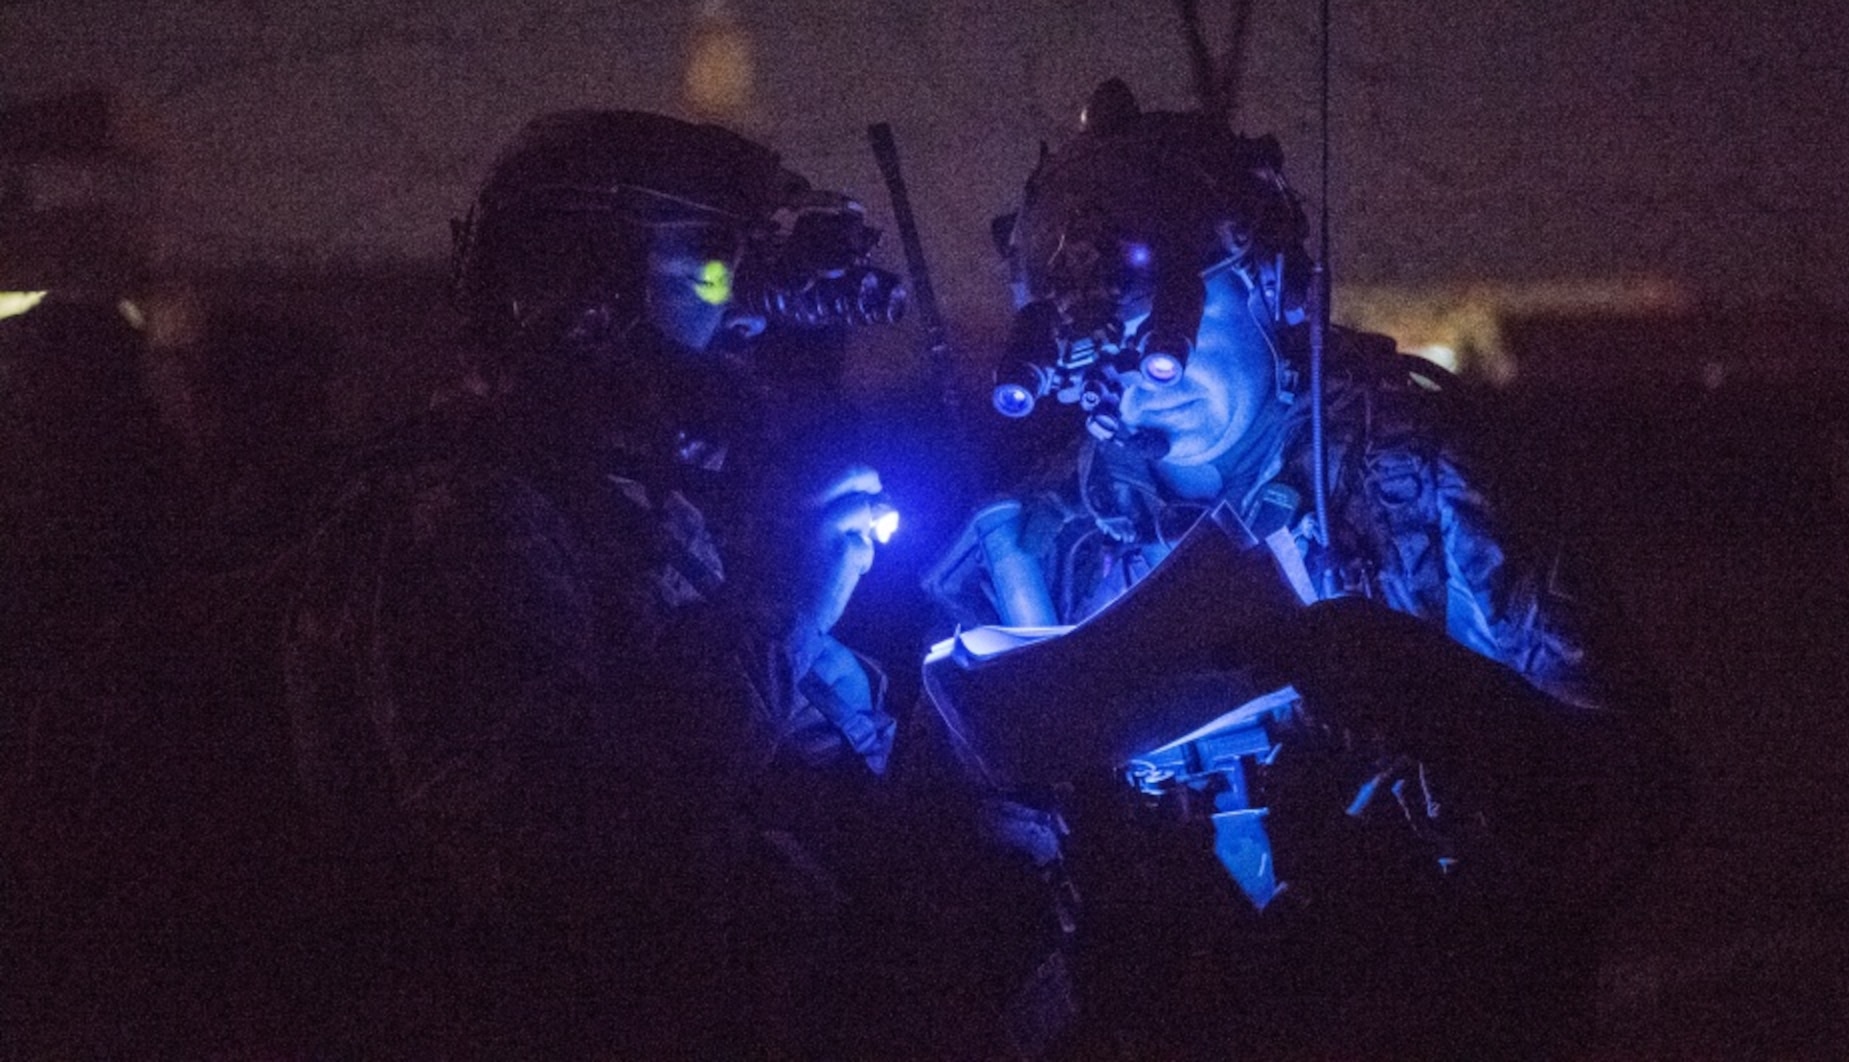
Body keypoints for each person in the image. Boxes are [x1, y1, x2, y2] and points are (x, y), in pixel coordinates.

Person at [922, 80, 1680, 1060]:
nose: (1153, 386)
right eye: (1100, 355)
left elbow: (1633, 791)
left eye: (1168, 332)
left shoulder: (1421, 477)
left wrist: (1426, 692)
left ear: (1269, 287)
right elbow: (953, 864)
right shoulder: (1036, 535)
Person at [280, 110, 907, 1057]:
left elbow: (760, 729)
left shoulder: (617, 492)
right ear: (587, 289)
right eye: (711, 267)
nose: (743, 315)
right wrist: (787, 601)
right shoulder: (462, 517)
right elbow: (574, 861)